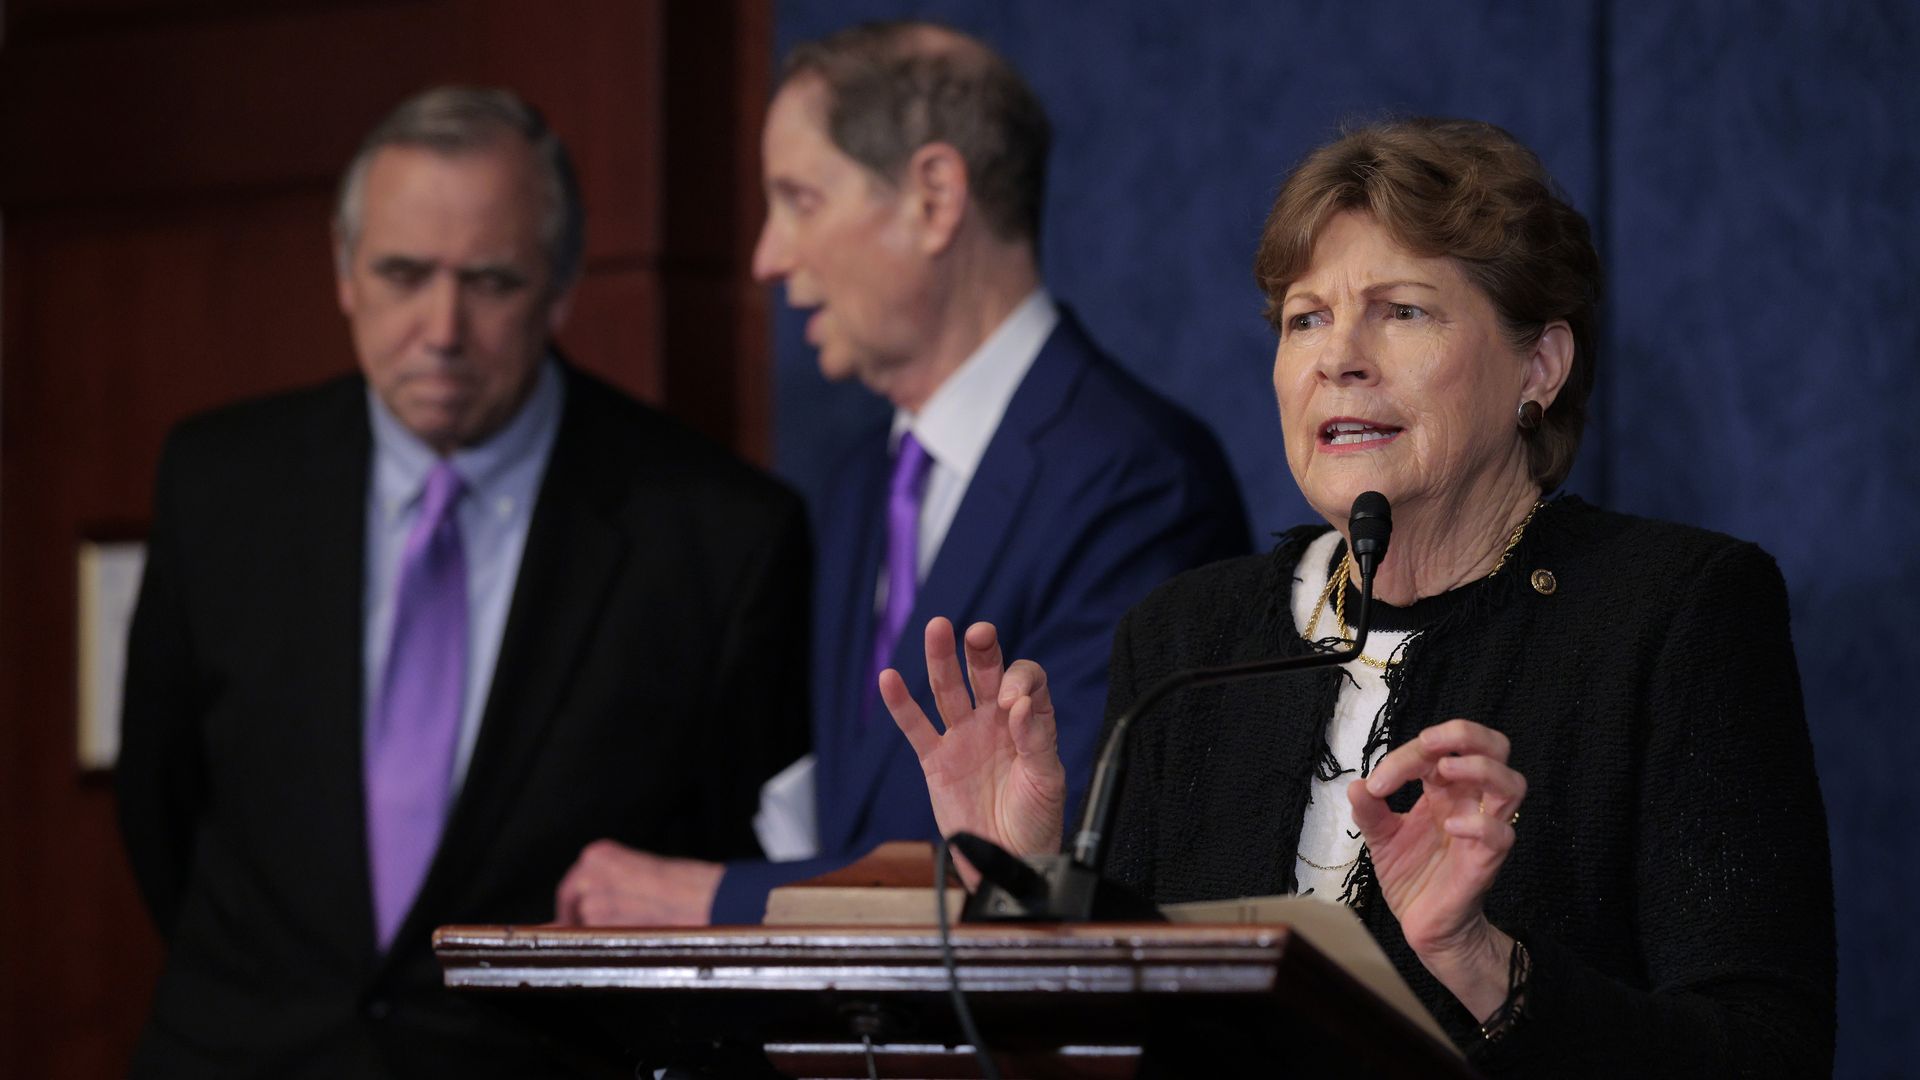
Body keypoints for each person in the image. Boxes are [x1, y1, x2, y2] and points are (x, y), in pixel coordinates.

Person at [883, 117, 1836, 1075]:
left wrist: (1482, 963)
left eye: (1403, 311)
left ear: (1538, 367)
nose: (1338, 357)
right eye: (1306, 318)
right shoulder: (1185, 641)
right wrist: (1030, 888)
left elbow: (1766, 1054)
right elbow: (1122, 1045)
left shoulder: (1673, 616)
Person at [115, 86, 810, 1077]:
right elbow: (162, 801)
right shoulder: (219, 482)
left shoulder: (717, 533)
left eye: (489, 281)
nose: (441, 328)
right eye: (402, 274)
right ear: (345, 273)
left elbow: (730, 868)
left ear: (561, 288)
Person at [552, 21, 1249, 927]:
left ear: (933, 197)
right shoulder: (856, 488)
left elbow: (1061, 869)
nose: (768, 256)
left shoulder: (1139, 482)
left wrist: (714, 899)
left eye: (800, 200)